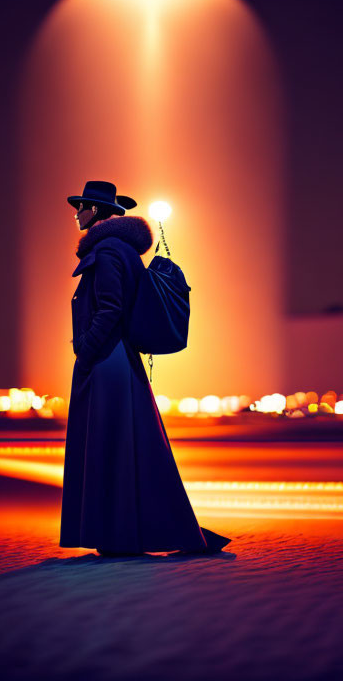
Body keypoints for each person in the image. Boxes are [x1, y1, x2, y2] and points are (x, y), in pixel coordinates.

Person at [60, 180, 230, 557]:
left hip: (107, 364)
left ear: (99, 212)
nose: (76, 213)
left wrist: (85, 351)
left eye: (83, 206)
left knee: (112, 445)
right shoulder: (121, 249)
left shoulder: (106, 252)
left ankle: (120, 537)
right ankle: (128, 535)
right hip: (120, 363)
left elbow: (109, 309)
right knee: (129, 447)